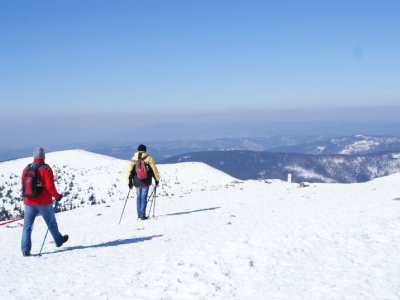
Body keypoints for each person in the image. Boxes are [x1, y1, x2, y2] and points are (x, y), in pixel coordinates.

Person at [20, 147, 68, 257]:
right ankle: (59, 240)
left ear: (34, 156)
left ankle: (25, 249)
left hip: (29, 201)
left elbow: (23, 183)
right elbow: (50, 186)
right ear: (43, 156)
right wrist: (57, 196)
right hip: (44, 202)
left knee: (27, 226)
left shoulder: (26, 168)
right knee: (51, 223)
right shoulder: (46, 169)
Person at [126, 144, 160, 220]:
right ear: (145, 150)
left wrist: (129, 182)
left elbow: (129, 172)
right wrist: (157, 180)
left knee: (138, 198)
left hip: (137, 182)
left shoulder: (133, 159)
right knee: (144, 198)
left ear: (138, 150)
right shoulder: (149, 158)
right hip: (146, 182)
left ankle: (139, 214)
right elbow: (154, 170)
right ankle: (142, 215)